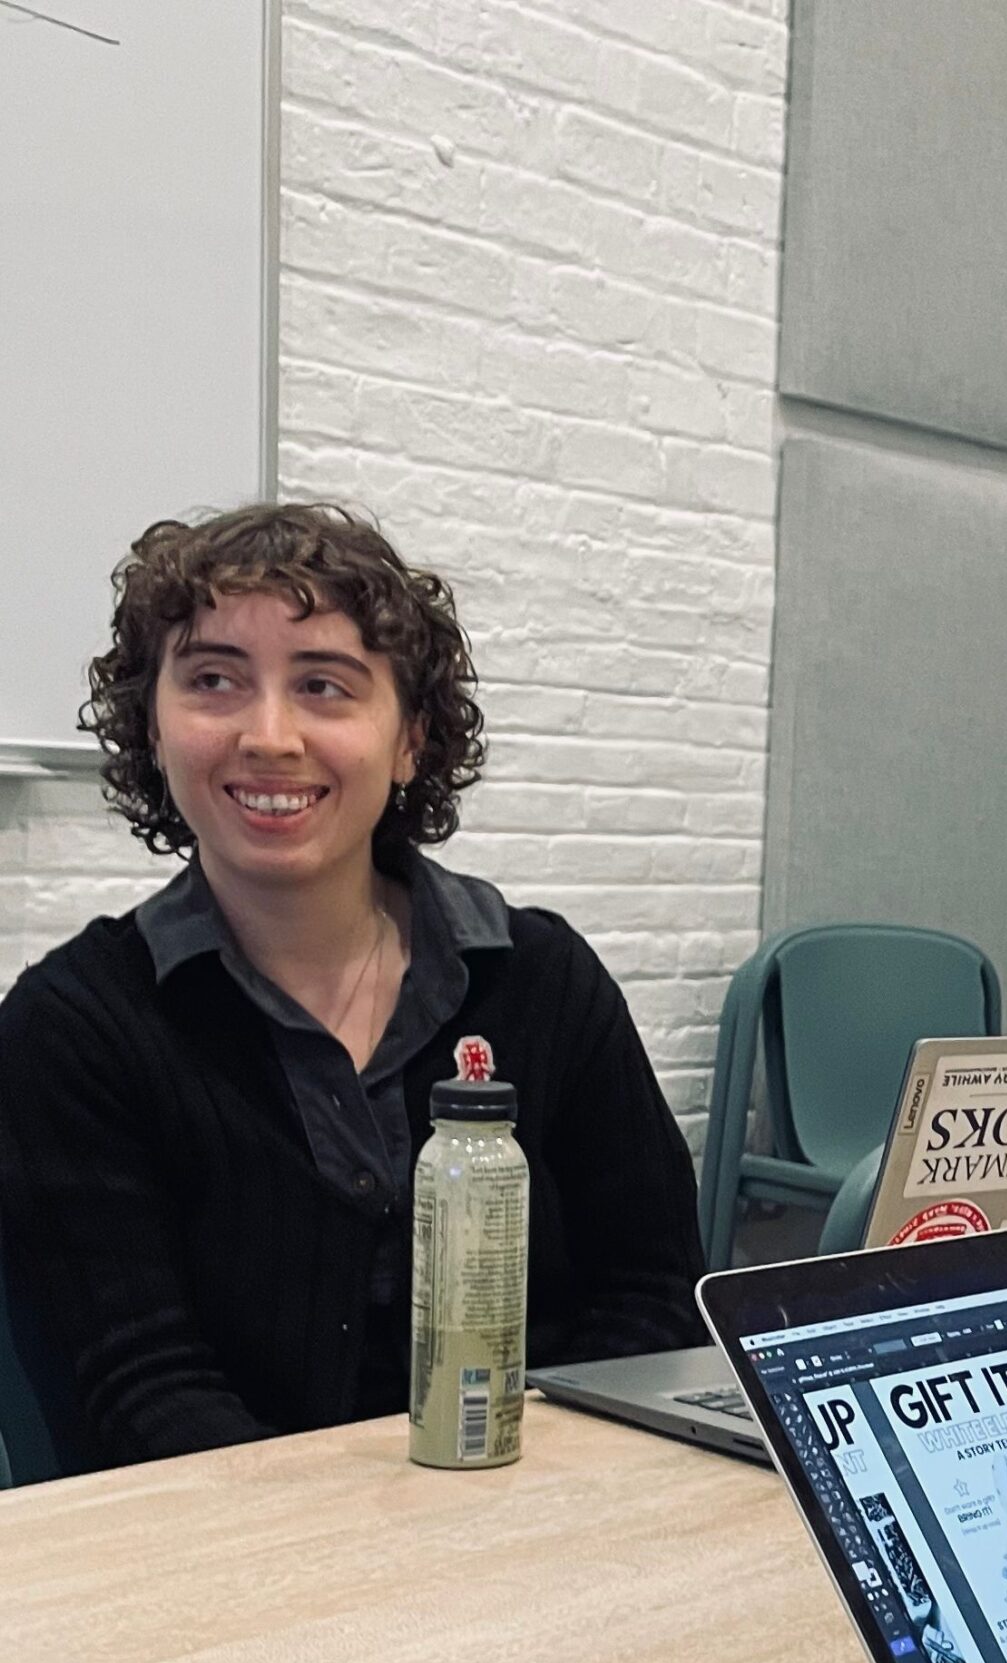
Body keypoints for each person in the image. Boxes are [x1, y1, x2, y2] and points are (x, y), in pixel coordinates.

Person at [0, 503, 706, 1473]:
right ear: (152, 730)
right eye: (213, 680)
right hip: (235, 1542)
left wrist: (522, 1504)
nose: (269, 735)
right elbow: (138, 1395)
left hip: (541, 1508)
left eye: (324, 685)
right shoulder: (72, 1028)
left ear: (411, 738)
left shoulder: (545, 979)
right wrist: (373, 1541)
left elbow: (654, 1298)